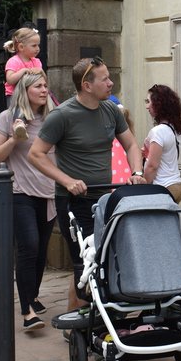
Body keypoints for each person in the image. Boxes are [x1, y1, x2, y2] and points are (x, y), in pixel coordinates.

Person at [28, 57, 146, 311]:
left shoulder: (111, 111)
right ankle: (80, 321)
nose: (110, 83)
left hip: (105, 198)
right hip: (74, 201)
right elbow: (35, 154)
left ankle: (81, 318)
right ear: (87, 85)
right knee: (85, 261)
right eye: (105, 79)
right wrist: (67, 181)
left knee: (102, 260)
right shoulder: (62, 115)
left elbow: (132, 145)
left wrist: (137, 171)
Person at [0, 71, 57, 331]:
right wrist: (14, 139)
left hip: (49, 193)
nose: (44, 90)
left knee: (40, 251)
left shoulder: (53, 119)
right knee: (29, 245)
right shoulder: (8, 118)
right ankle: (27, 311)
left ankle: (33, 294)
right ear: (25, 90)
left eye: (46, 85)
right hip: (20, 192)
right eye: (38, 85)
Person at [142, 84, 181, 203]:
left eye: (149, 101)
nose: (147, 106)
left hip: (162, 187)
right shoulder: (173, 128)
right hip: (176, 185)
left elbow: (152, 166)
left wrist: (142, 186)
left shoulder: (158, 131)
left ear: (158, 104)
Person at [3, 27, 44, 115]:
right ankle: (18, 127)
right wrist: (23, 71)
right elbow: (10, 80)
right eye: (34, 45)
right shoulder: (13, 61)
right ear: (21, 47)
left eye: (38, 45)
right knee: (17, 115)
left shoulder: (36, 62)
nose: (37, 48)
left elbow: (43, 79)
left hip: (31, 96)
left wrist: (40, 71)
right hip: (15, 96)